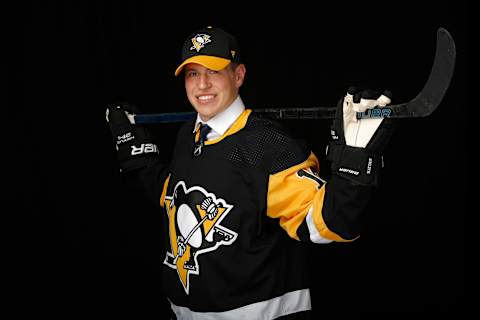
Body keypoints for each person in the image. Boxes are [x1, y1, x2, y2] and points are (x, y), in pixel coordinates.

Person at [106, 26, 394, 320]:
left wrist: (354, 166)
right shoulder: (188, 136)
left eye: (214, 71)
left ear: (239, 75)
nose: (202, 84)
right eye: (193, 73)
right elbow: (175, 196)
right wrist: (135, 151)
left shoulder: (266, 144)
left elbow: (327, 224)